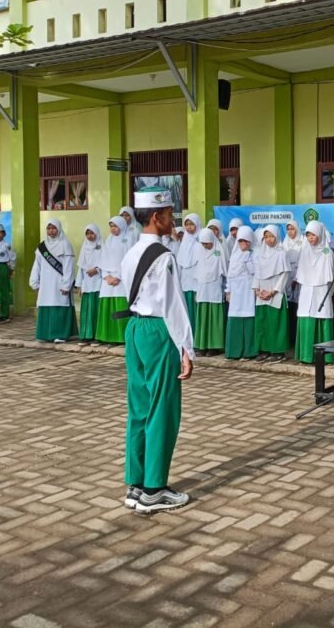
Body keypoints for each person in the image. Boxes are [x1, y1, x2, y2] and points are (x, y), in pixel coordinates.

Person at [120, 186, 194, 515]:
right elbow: (173, 305)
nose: (172, 219)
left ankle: (136, 484)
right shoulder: (163, 256)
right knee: (162, 409)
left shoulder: (130, 253)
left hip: (135, 329)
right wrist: (186, 348)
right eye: (168, 214)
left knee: (139, 407)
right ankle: (154, 490)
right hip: (158, 331)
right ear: (155, 216)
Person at [294, 221, 334, 364]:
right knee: (306, 316)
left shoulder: (327, 253)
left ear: (320, 234)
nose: (310, 238)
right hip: (306, 291)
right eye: (308, 235)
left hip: (322, 291)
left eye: (313, 234)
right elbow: (300, 274)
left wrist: (329, 293)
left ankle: (325, 356)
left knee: (322, 316)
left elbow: (333, 276)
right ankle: (306, 356)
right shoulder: (304, 251)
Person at [29, 219, 77, 343]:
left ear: (59, 229)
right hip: (45, 283)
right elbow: (37, 265)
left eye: (54, 228)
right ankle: (45, 334)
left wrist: (66, 284)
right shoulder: (42, 247)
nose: (51, 231)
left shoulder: (65, 244)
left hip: (59, 283)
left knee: (60, 304)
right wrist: (34, 282)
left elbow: (68, 266)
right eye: (49, 228)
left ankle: (61, 334)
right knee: (46, 303)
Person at [252, 225, 291, 363]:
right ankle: (264, 350)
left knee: (276, 323)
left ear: (277, 237)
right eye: (266, 237)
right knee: (262, 322)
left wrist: (273, 291)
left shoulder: (281, 252)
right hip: (262, 293)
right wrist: (257, 290)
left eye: (271, 236)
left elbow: (285, 274)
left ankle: (278, 351)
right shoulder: (260, 254)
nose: (269, 240)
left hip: (275, 294)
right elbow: (257, 273)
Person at [96, 216, 132, 345]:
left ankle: (122, 336)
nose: (113, 229)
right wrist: (107, 276)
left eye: (115, 226)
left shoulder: (128, 240)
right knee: (108, 306)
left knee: (121, 305)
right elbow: (102, 260)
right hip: (108, 281)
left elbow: (129, 260)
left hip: (121, 280)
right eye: (111, 226)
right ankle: (107, 336)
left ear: (122, 225)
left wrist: (118, 277)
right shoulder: (108, 240)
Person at [225, 226, 258, 360]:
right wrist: (228, 291)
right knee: (235, 318)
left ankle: (249, 351)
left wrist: (247, 256)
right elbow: (230, 275)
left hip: (249, 291)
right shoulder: (234, 255)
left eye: (246, 241)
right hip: (236, 293)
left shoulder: (255, 254)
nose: (242, 244)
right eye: (240, 241)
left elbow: (255, 271)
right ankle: (234, 351)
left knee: (249, 318)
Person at [194, 228, 227, 355]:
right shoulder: (200, 252)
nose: (205, 246)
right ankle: (202, 346)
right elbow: (197, 272)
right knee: (203, 317)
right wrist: (197, 290)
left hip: (214, 288)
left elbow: (224, 271)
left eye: (207, 243)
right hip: (202, 289)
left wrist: (226, 289)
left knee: (214, 317)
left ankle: (214, 347)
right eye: (203, 243)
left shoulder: (219, 251)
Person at [76, 224, 103, 344]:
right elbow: (81, 268)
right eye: (87, 233)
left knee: (96, 309)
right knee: (86, 310)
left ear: (97, 233)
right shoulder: (85, 247)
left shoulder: (102, 246)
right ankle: (86, 335)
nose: (89, 236)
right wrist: (79, 286)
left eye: (92, 233)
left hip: (99, 283)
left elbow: (107, 262)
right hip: (87, 284)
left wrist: (97, 270)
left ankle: (97, 335)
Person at [176, 213, 202, 325]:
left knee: (196, 310)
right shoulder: (185, 241)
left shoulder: (202, 240)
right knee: (187, 309)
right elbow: (180, 262)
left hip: (197, 281)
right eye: (187, 225)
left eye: (192, 224)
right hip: (185, 281)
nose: (189, 227)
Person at [283, 221, 304, 346]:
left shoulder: (303, 241)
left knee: (297, 307)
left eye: (292, 229)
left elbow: (304, 261)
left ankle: (297, 338)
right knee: (288, 308)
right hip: (286, 277)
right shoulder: (284, 242)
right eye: (288, 229)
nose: (290, 232)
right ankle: (289, 337)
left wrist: (296, 279)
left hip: (298, 277)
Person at [0, 223, 16, 322]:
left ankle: (4, 315)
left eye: (0, 233)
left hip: (3, 266)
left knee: (4, 291)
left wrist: (11, 269)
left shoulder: (7, 245)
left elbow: (12, 257)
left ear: (4, 234)